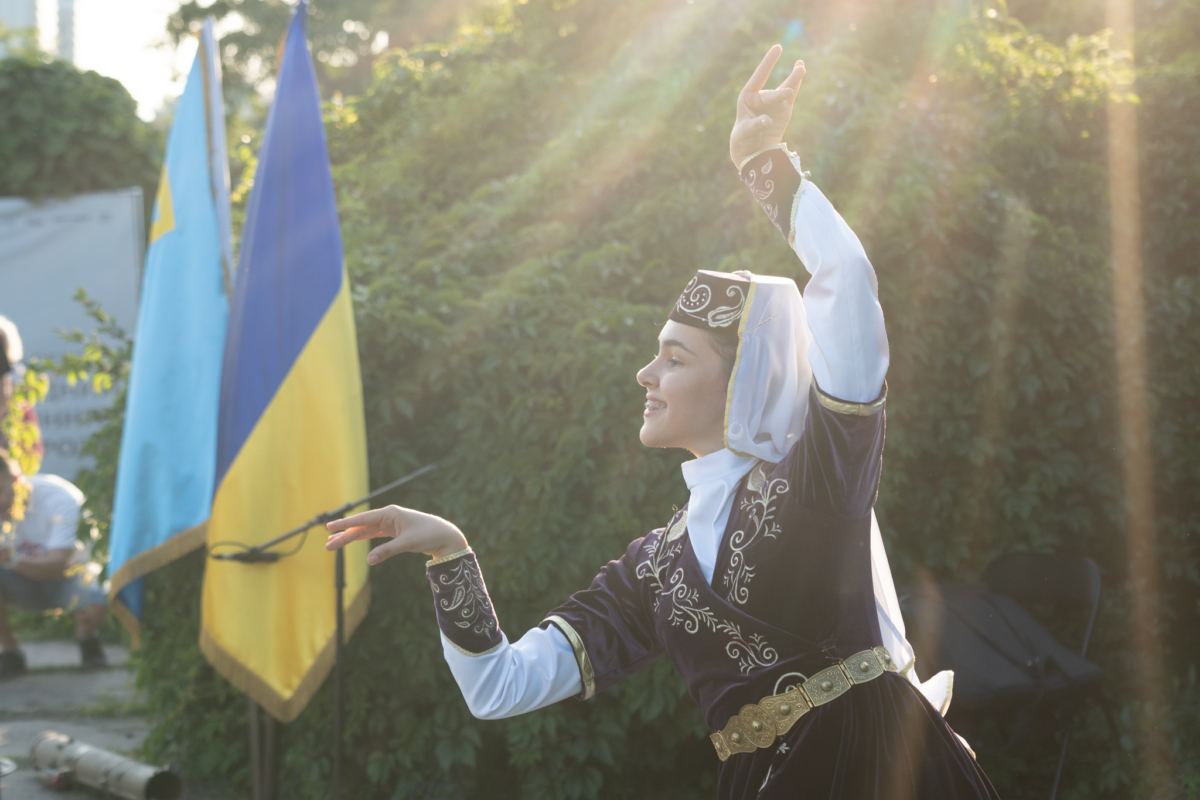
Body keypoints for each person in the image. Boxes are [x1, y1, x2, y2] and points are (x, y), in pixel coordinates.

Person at [326, 46, 997, 798]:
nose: (646, 375)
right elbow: (499, 685)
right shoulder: (655, 568)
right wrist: (450, 554)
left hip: (879, 772)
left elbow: (847, 284)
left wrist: (764, 164)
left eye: (675, 359)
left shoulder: (819, 477)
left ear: (741, 379)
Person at [0, 449, 107, 678]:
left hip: (70, 575)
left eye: (0, 491)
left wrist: (11, 558)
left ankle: (87, 635)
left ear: (17, 479)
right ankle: (10, 652)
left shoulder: (60, 498)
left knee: (95, 607)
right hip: (20, 582)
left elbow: (58, 567)